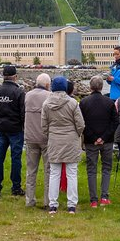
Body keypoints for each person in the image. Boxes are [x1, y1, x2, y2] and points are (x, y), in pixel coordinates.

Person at [42, 76, 85, 214]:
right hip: (71, 139)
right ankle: (71, 204)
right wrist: (76, 134)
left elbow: (44, 125)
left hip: (54, 139)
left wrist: (51, 135)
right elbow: (80, 124)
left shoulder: (46, 104)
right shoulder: (73, 103)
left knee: (54, 172)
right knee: (72, 173)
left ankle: (53, 204)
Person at [0, 65, 26, 197]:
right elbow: (23, 113)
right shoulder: (19, 93)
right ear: (15, 76)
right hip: (15, 129)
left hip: (0, 129)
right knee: (16, 158)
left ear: (3, 75)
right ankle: (16, 187)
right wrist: (21, 125)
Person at [80, 76, 118, 208]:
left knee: (91, 169)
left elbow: (82, 123)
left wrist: (93, 137)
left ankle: (93, 200)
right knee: (106, 168)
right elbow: (115, 122)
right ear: (101, 87)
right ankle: (104, 197)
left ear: (90, 87)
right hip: (107, 140)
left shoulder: (84, 102)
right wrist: (104, 137)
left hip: (91, 141)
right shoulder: (109, 102)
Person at [24, 73, 51, 208]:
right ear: (47, 85)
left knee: (31, 171)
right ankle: (47, 201)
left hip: (30, 137)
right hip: (45, 138)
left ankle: (29, 200)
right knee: (48, 170)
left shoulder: (27, 95)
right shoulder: (48, 96)